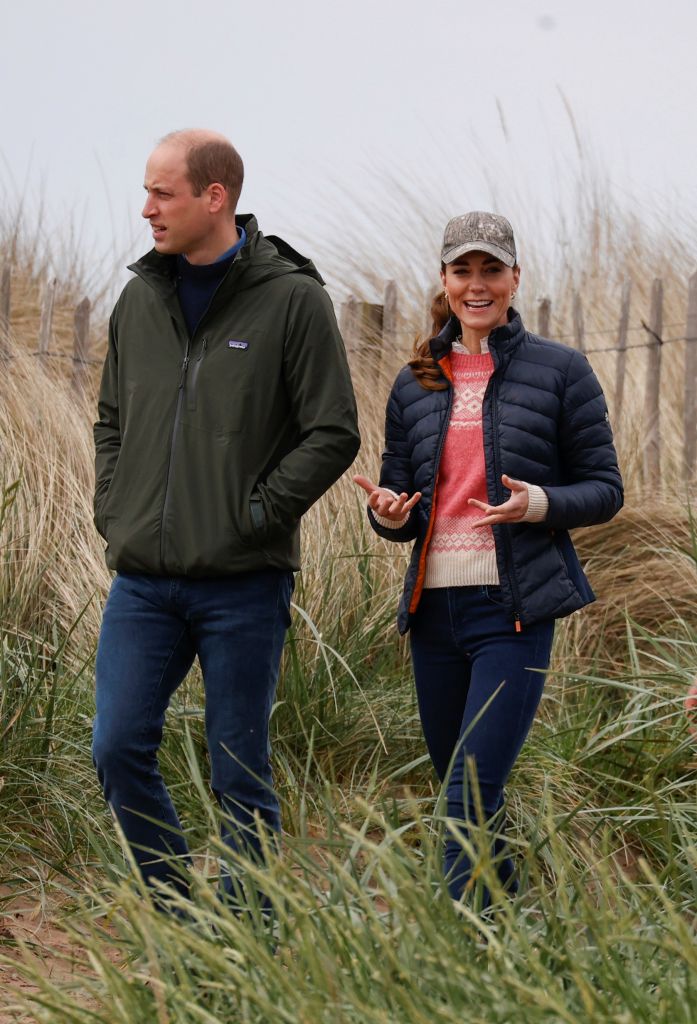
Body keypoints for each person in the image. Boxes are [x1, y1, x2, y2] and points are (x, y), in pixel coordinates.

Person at [92, 129, 360, 904]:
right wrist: (117, 509)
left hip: (243, 583)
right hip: (142, 582)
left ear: (216, 197)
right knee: (116, 748)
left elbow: (332, 430)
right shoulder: (139, 297)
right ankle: (180, 916)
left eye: (162, 192)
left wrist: (256, 515)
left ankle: (250, 939)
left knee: (237, 769)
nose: (146, 209)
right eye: (146, 192)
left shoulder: (292, 300)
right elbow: (111, 419)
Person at [354, 212, 623, 907]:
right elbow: (403, 502)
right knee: (469, 796)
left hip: (513, 609)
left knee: (467, 796)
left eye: (490, 270)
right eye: (461, 271)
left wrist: (538, 503)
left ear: (514, 278)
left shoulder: (559, 370)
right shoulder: (414, 382)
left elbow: (605, 490)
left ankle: (455, 950)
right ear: (443, 282)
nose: (476, 285)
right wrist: (388, 516)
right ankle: (514, 933)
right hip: (433, 613)